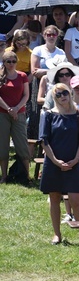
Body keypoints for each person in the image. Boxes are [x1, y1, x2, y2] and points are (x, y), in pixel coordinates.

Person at [39, 83, 79, 246]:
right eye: (58, 94)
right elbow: (44, 140)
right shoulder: (49, 114)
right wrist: (55, 161)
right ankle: (57, 234)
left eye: (64, 93)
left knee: (76, 199)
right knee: (54, 197)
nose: (62, 97)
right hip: (54, 162)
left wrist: (75, 159)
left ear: (70, 93)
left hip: (74, 162)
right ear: (54, 98)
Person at [0, 50, 30, 182]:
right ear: (4, 63)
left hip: (20, 113)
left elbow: (26, 95)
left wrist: (16, 109)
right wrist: (8, 109)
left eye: (13, 61)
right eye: (8, 61)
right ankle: (4, 175)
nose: (11, 64)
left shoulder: (22, 76)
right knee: (2, 146)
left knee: (22, 145)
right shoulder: (0, 76)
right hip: (2, 114)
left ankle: (26, 175)